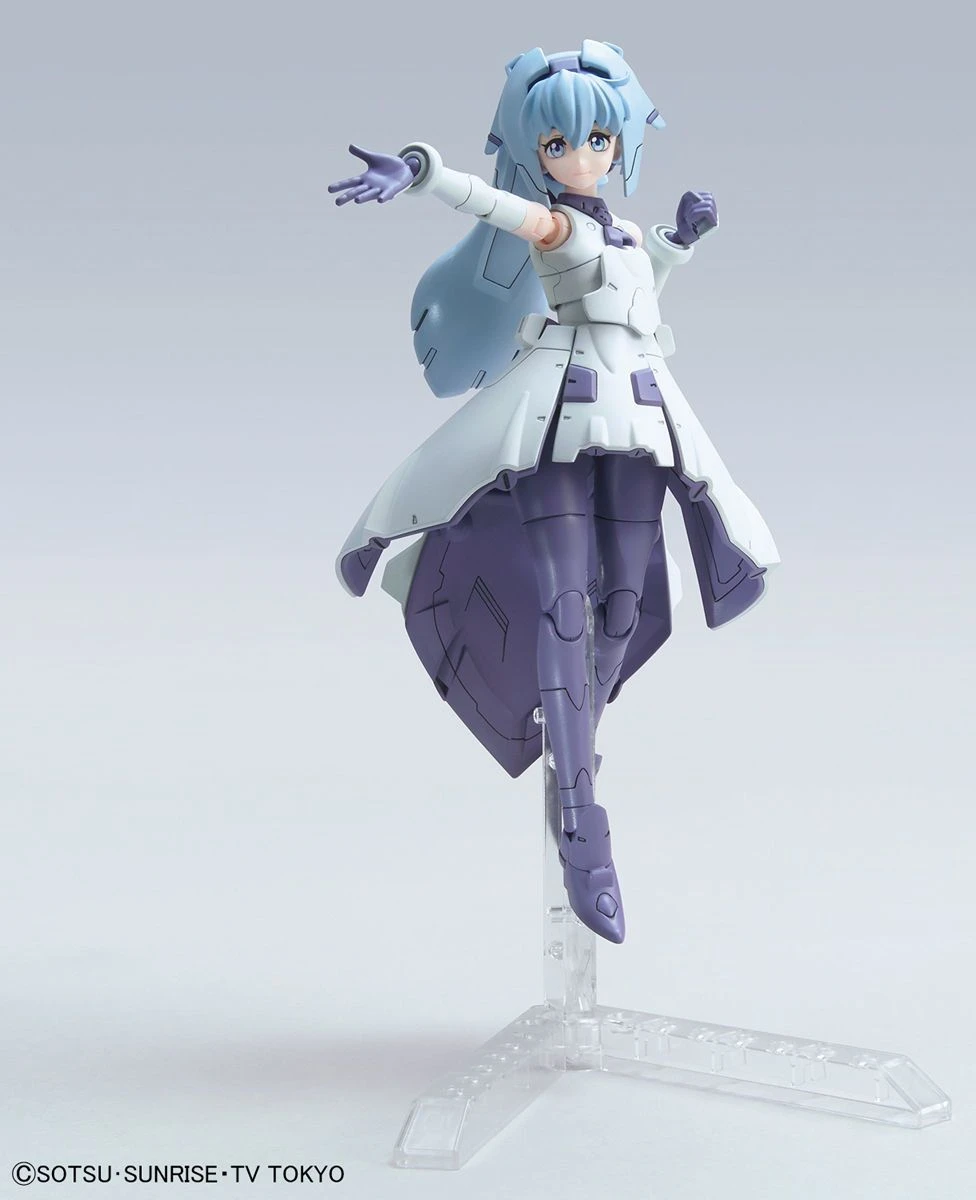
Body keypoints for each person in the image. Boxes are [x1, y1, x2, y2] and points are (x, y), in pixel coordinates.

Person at [330, 41, 778, 943]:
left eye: (598, 140)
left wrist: (679, 243)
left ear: (620, 144)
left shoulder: (623, 236)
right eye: (559, 145)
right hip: (562, 418)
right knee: (567, 611)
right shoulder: (556, 227)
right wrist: (423, 171)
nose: (581, 157)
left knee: (624, 606)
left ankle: (573, 742)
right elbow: (490, 203)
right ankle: (580, 816)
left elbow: (639, 294)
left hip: (641, 416)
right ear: (535, 151)